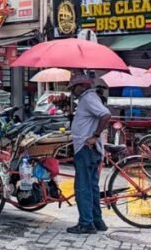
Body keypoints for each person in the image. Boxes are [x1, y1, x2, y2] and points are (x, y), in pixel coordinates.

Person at [66, 74, 111, 234]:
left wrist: (95, 136)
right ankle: (97, 221)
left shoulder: (88, 97)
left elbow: (106, 115)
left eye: (74, 88)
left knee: (83, 187)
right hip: (89, 149)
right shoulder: (89, 98)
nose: (72, 92)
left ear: (82, 86)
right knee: (91, 186)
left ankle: (86, 223)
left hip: (86, 149)